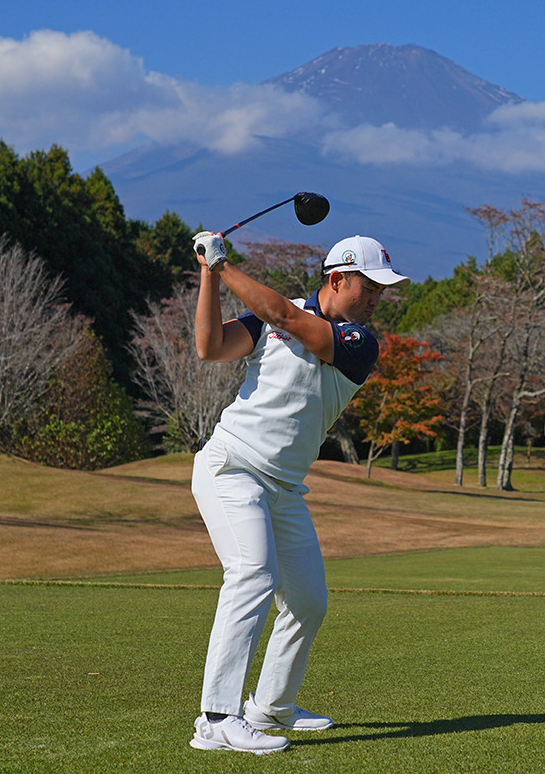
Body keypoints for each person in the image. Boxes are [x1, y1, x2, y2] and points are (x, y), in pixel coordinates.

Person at [186, 231, 408, 754]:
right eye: (370, 286)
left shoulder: (359, 342)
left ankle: (270, 709)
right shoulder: (270, 318)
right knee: (252, 576)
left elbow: (288, 318)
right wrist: (206, 273)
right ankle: (217, 717)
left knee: (308, 601)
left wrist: (223, 265)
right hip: (232, 467)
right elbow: (209, 347)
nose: (378, 298)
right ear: (338, 279)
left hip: (284, 486)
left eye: (382, 289)